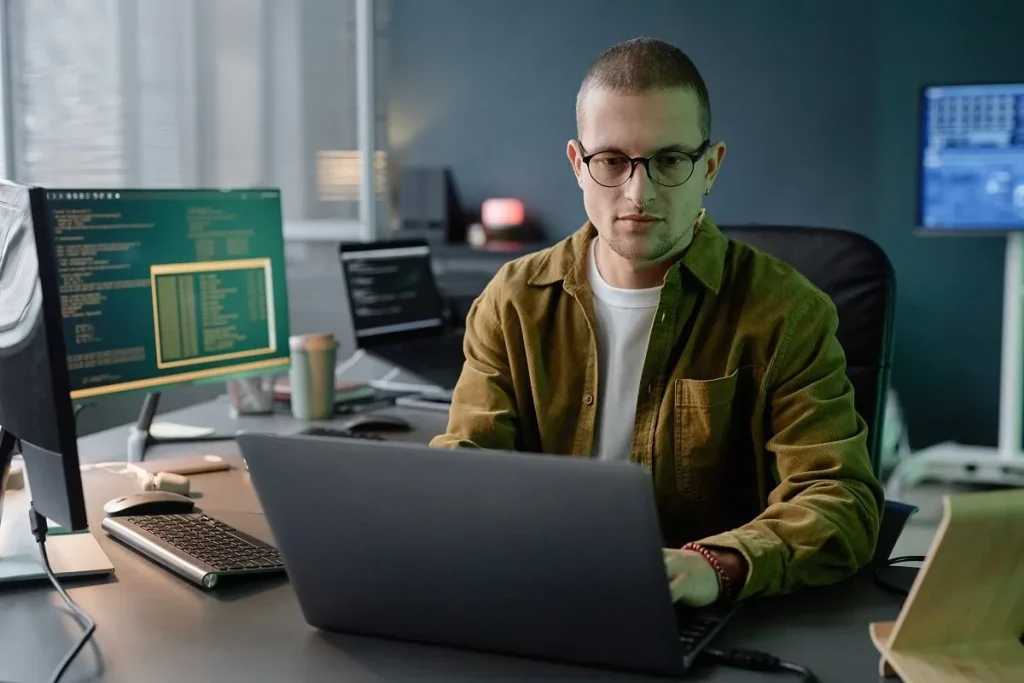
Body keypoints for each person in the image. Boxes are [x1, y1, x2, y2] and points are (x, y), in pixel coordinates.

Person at [430, 37, 884, 607]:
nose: (637, 193)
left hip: (700, 615)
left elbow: (839, 499)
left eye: (669, 160)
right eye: (612, 161)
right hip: (540, 594)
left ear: (710, 166)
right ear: (578, 164)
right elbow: (466, 468)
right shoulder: (513, 300)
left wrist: (715, 566)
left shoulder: (788, 312)